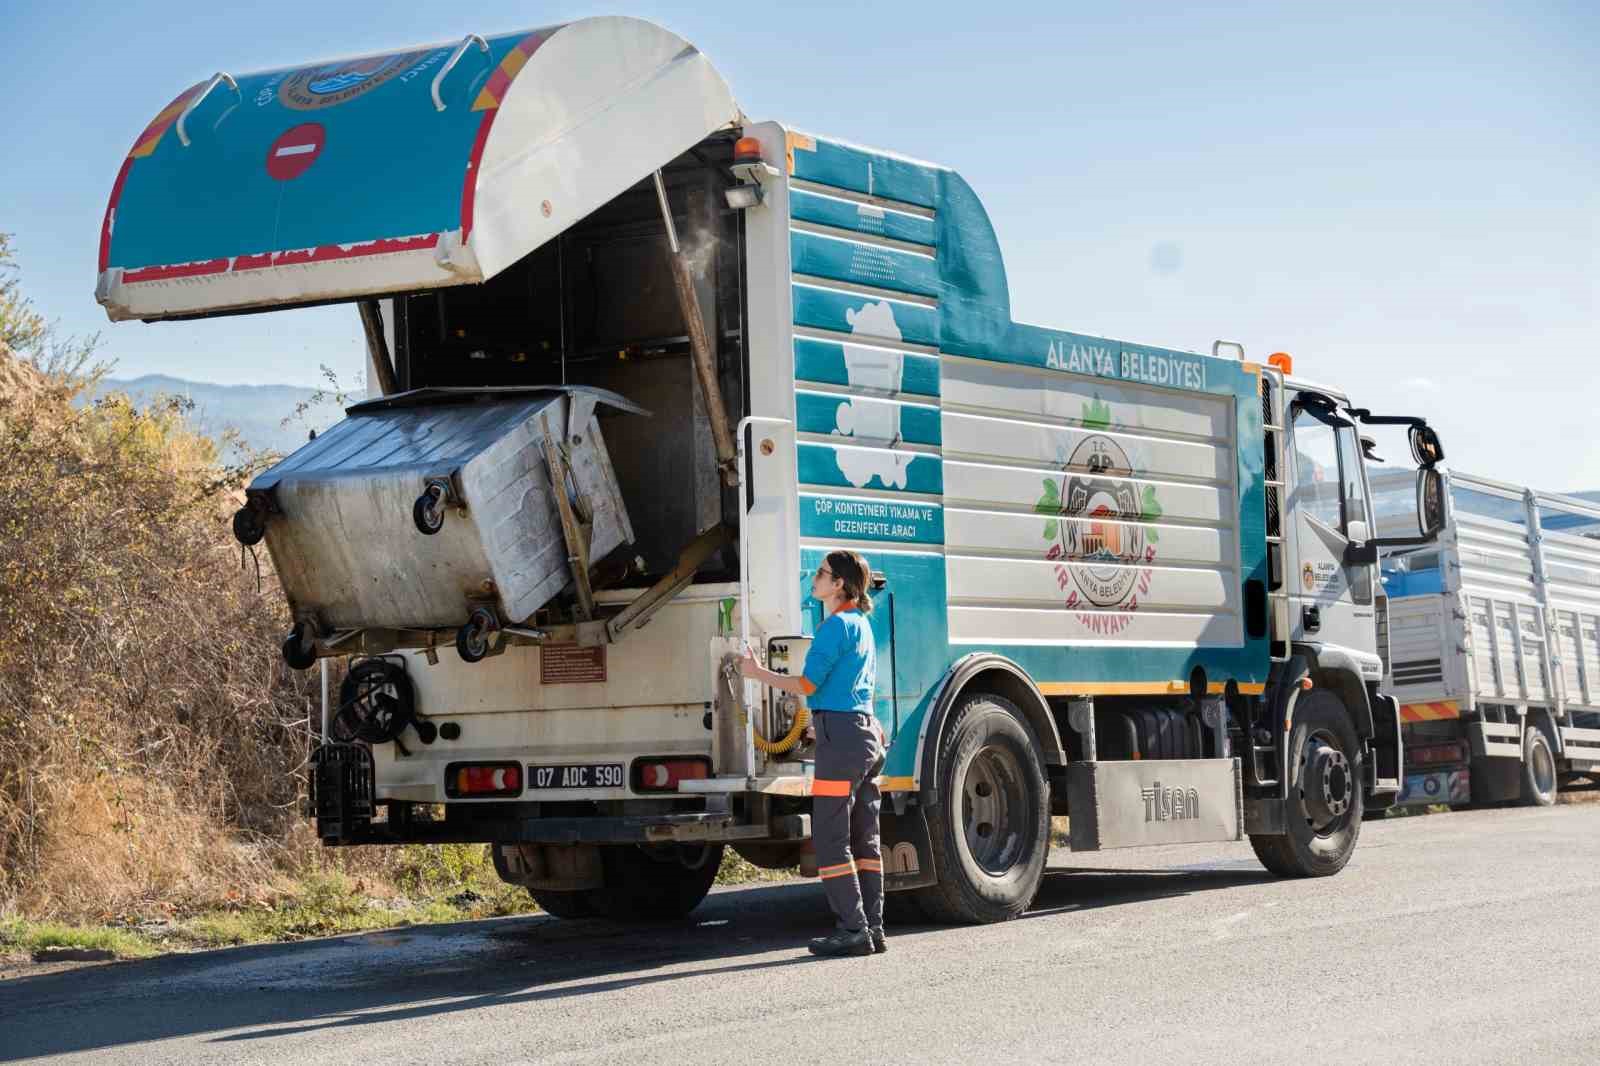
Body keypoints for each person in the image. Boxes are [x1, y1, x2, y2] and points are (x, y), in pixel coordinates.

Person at [741, 549, 885, 958]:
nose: (815, 579)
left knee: (830, 836)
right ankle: (873, 927)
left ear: (839, 584)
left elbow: (806, 685)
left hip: (840, 737)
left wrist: (756, 674)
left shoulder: (834, 627)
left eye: (821, 574)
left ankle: (853, 928)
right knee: (865, 837)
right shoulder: (861, 624)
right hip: (867, 734)